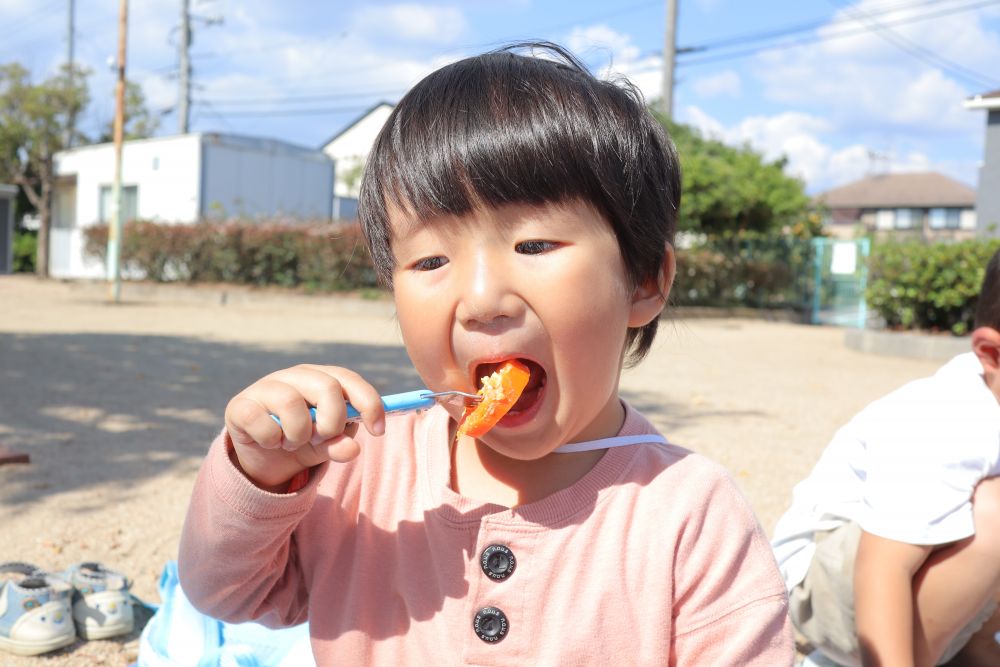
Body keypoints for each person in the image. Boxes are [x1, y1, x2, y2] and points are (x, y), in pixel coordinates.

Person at [178, 42, 793, 665]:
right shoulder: (358, 463)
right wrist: (260, 472)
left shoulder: (688, 514)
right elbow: (227, 593)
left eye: (535, 244)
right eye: (430, 260)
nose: (480, 300)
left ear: (643, 281)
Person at [771, 249, 1000, 667]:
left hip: (894, 568)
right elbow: (882, 568)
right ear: (992, 354)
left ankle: (972, 649)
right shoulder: (950, 421)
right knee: (996, 512)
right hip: (825, 585)